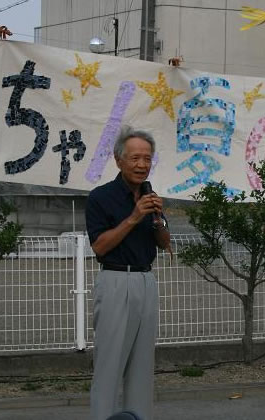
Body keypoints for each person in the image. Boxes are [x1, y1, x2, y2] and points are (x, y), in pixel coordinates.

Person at [85, 126, 171, 420]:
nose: (142, 165)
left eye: (147, 159)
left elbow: (166, 245)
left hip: (146, 280)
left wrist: (158, 221)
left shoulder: (150, 197)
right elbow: (100, 246)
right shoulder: (100, 198)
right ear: (119, 160)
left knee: (142, 368)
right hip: (115, 279)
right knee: (109, 365)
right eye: (135, 158)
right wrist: (134, 217)